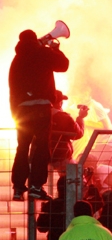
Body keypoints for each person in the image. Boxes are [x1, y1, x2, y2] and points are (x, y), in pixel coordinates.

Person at [9, 26, 70, 201]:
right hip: (41, 107)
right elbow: (63, 65)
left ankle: (18, 187)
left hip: (21, 110)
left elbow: (12, 89)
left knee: (22, 148)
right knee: (42, 147)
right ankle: (36, 186)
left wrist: (15, 113)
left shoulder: (16, 60)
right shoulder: (43, 52)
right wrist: (55, 49)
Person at [49, 91, 86, 174]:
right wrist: (80, 117)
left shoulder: (40, 115)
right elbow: (78, 134)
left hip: (42, 156)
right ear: (60, 103)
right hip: (61, 157)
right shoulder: (64, 117)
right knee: (75, 178)